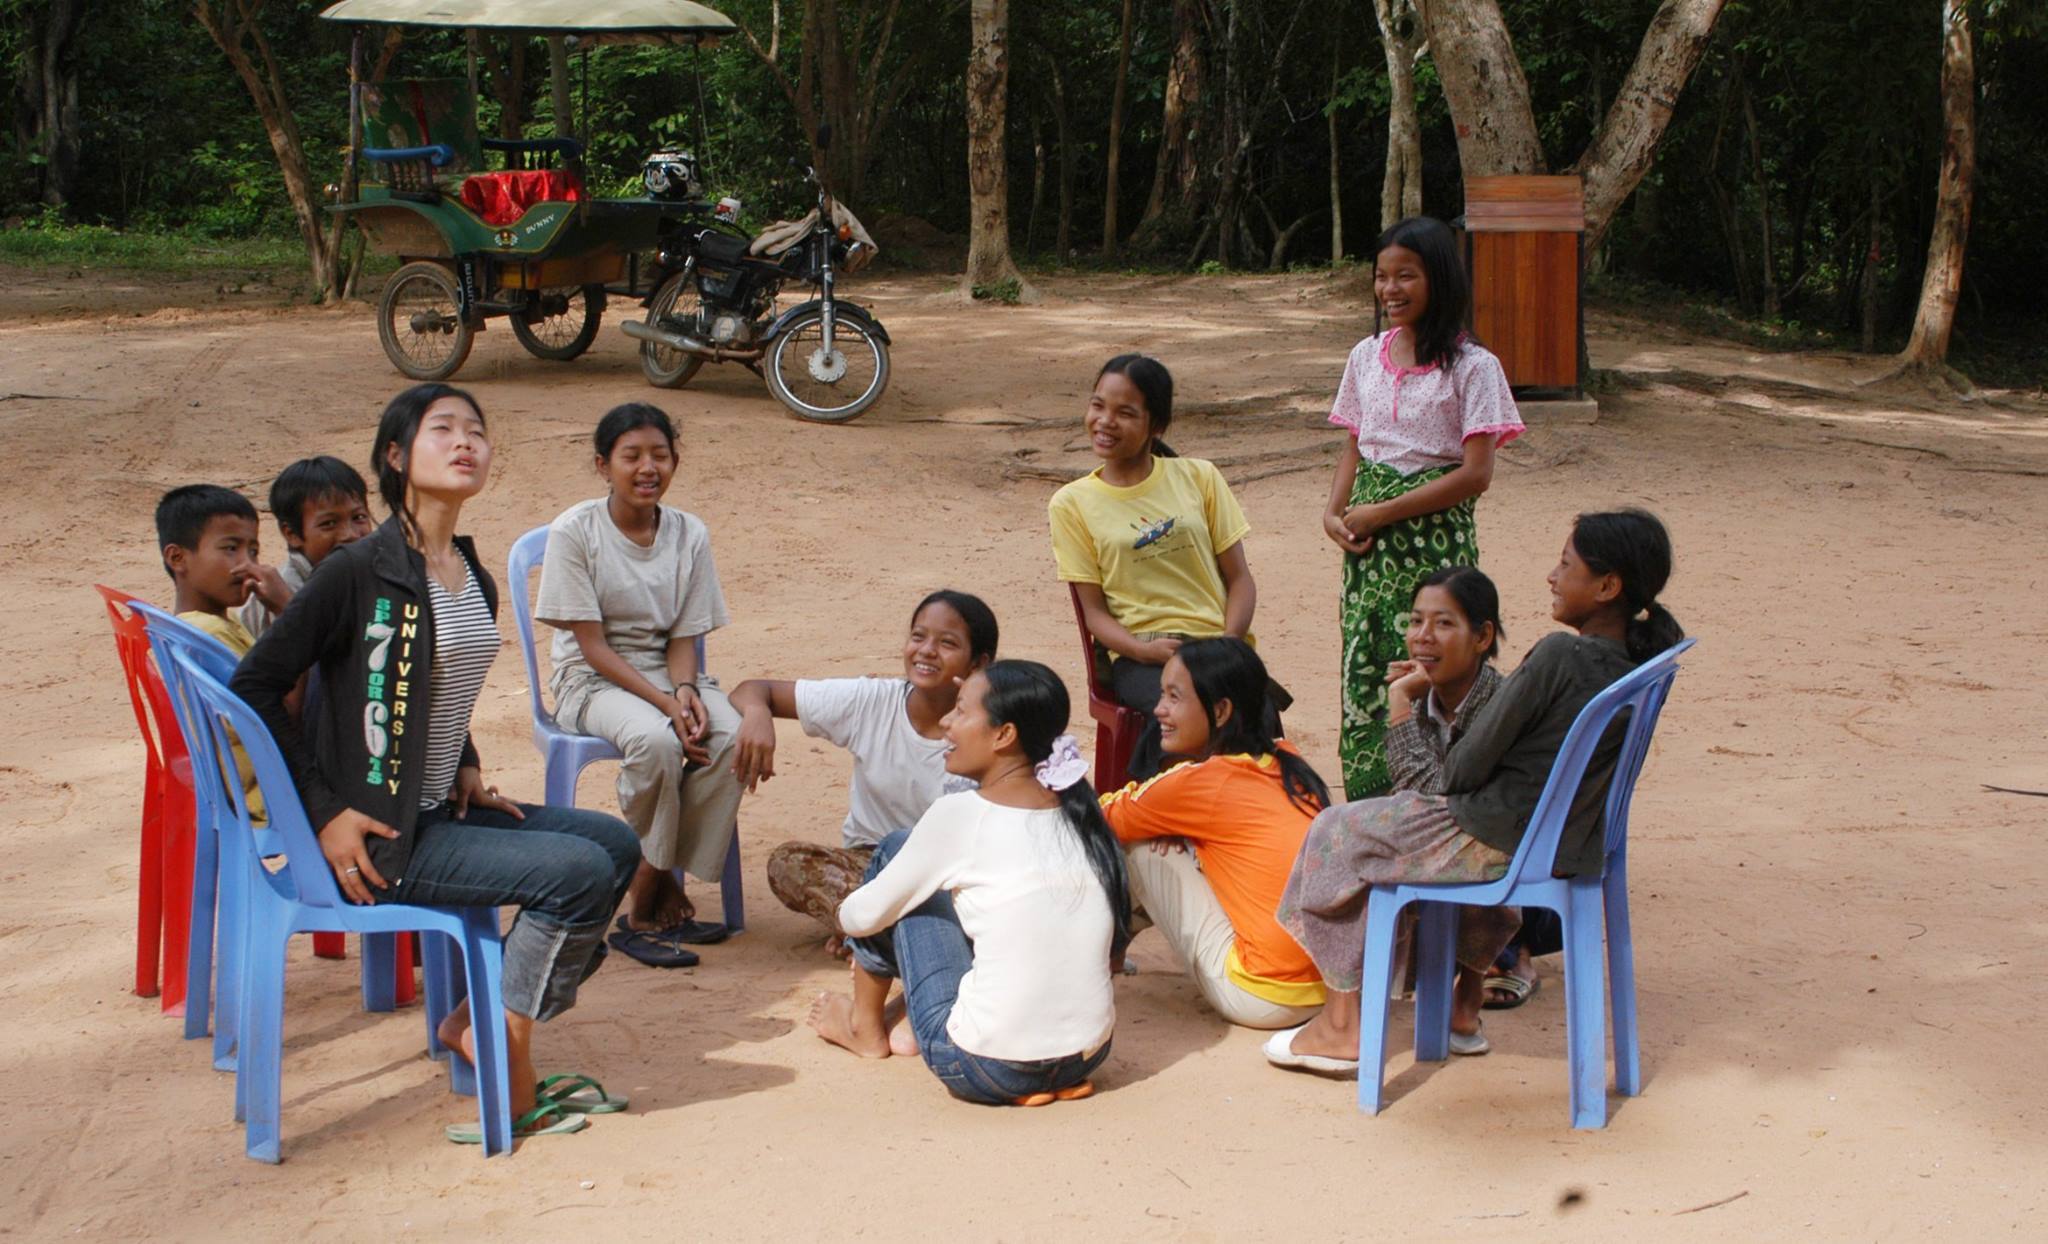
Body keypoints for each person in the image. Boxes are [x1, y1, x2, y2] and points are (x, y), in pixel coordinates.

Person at [233, 383, 641, 1143]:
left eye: (476, 431)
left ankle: (472, 1021)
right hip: (384, 836)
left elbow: (436, 686)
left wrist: (463, 759)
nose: (465, 442)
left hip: (437, 808)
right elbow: (254, 684)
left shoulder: (470, 574)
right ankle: (505, 1050)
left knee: (615, 845)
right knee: (577, 876)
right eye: (442, 429)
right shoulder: (356, 571)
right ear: (396, 456)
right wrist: (321, 813)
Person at [1266, 509, 1682, 1074]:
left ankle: (1342, 1028)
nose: (1552, 577)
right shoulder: (1635, 660)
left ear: (1607, 586)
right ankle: (1452, 1007)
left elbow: (1458, 773)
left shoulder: (1559, 655)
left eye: (1566, 565)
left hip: (1496, 834)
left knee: (1335, 833)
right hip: (1558, 837)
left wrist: (1403, 710)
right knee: (1372, 828)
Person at [808, 661, 1132, 1107]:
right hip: (1086, 1056)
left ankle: (864, 1027)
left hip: (983, 1067)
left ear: (1004, 735)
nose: (946, 722)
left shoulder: (960, 815)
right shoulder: (1082, 812)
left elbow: (861, 917)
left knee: (894, 851)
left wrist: (871, 912)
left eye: (960, 711)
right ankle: (911, 1021)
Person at [534, 402, 742, 970]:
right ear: (603, 465)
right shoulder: (575, 530)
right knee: (656, 742)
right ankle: (652, 895)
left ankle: (649, 882)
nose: (647, 467)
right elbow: (593, 647)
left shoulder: (688, 532)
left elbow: (683, 638)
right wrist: (665, 705)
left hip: (665, 674)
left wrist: (684, 691)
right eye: (632, 456)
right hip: (590, 678)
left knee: (732, 734)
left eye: (660, 455)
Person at [1324, 217, 1525, 800]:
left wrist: (1383, 513)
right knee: (1368, 662)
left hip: (1434, 547)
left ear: (1438, 279)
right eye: (1382, 277)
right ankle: (1372, 803)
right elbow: (1354, 444)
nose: (1390, 289)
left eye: (1405, 276)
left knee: (1435, 659)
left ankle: (1440, 797)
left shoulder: (1474, 367)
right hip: (1366, 552)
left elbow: (1475, 474)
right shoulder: (1365, 356)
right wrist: (1334, 513)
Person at [729, 590, 999, 955]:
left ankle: (870, 934)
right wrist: (757, 715)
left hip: (948, 877)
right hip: (869, 868)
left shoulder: (994, 728)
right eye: (918, 636)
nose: (926, 651)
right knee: (788, 864)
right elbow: (753, 690)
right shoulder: (872, 701)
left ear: (978, 664)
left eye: (948, 643)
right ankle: (891, 935)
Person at [1098, 638, 1333, 1029]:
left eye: (1174, 697)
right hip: (1327, 989)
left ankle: (1098, 956)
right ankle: (1111, 950)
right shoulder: (1289, 758)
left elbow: (1100, 819)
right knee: (1173, 834)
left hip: (1262, 996)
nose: (1159, 710)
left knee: (1143, 846)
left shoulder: (1204, 781)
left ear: (1221, 710)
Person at [1049, 354, 1262, 781]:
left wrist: (1227, 645)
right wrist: (1141, 650)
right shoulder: (1072, 503)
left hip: (1218, 645)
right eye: (1098, 406)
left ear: (1156, 426)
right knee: (1181, 712)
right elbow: (1095, 614)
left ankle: (1244, 829)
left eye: (1125, 413)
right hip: (1143, 655)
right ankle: (1150, 821)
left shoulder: (1199, 477)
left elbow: (1240, 580)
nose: (1105, 421)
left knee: (1256, 719)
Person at [156, 483, 270, 815]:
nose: (246, 564)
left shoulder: (195, 626)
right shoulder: (207, 636)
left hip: (237, 793)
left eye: (253, 551)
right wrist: (290, 610)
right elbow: (280, 714)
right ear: (178, 558)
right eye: (231, 549)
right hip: (268, 798)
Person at [237, 455, 376, 636]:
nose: (349, 534)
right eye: (329, 523)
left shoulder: (378, 572)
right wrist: (286, 608)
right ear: (292, 534)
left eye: (358, 518)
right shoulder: (284, 592)